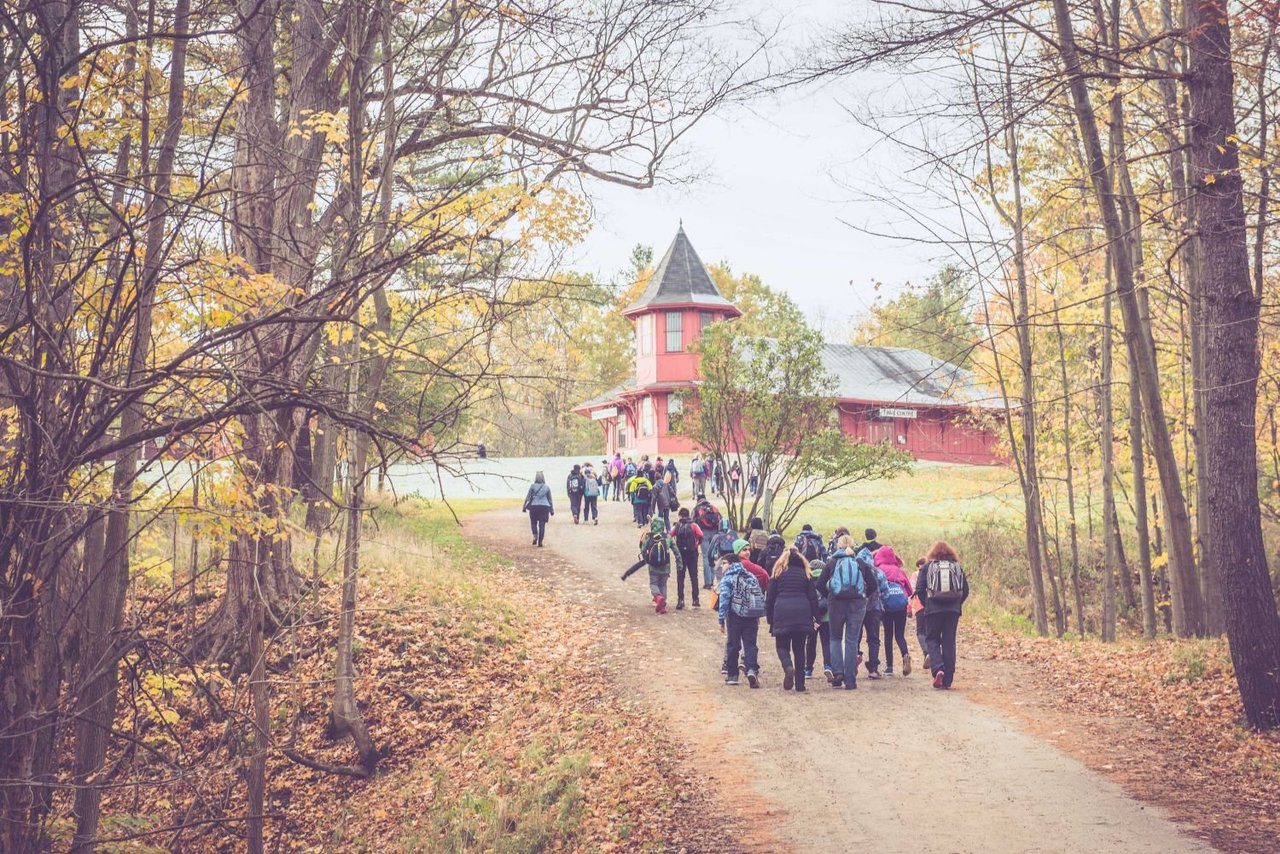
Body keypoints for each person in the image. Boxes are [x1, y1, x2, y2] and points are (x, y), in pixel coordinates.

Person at [766, 548, 821, 693]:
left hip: (782, 612)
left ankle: (788, 667)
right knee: (799, 649)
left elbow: (770, 599)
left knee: (782, 647)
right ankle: (800, 685)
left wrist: (770, 619)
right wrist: (817, 617)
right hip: (803, 612)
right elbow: (813, 598)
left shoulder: (777, 574)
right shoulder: (805, 574)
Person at [915, 541, 970, 689]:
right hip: (952, 611)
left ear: (933, 554)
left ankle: (938, 668)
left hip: (933, 609)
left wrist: (927, 604)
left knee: (932, 639)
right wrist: (957, 604)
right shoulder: (956, 567)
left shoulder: (927, 567)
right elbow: (965, 590)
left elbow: (919, 589)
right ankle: (948, 680)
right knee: (949, 642)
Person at [817, 535, 867, 689]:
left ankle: (837, 673)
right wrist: (863, 596)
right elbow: (872, 583)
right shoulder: (859, 562)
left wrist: (830, 596)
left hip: (836, 604)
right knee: (851, 641)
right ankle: (850, 680)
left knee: (835, 638)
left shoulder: (831, 562)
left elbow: (819, 584)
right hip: (857, 604)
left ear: (837, 546)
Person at [717, 538, 768, 687]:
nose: (723, 566)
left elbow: (724, 599)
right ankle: (751, 669)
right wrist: (757, 613)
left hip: (734, 615)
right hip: (751, 615)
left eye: (725, 563)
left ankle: (733, 675)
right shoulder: (750, 576)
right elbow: (758, 594)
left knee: (733, 644)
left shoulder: (728, 578)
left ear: (731, 564)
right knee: (750, 644)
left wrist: (721, 619)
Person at [621, 518, 683, 614]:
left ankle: (658, 597)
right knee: (663, 584)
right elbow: (676, 551)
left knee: (653, 584)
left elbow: (642, 549)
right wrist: (679, 564)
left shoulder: (649, 537)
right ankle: (662, 606)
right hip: (665, 566)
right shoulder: (667, 537)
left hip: (653, 566)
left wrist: (646, 557)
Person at [875, 546, 913, 676]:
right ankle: (905, 655)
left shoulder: (879, 570)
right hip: (900, 606)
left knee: (888, 635)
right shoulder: (899, 571)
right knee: (900, 635)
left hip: (886, 606)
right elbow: (909, 591)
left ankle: (889, 667)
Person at [855, 529, 885, 679]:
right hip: (874, 608)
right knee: (873, 638)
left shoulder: (856, 569)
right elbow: (884, 588)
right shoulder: (877, 571)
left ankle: (855, 657)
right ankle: (873, 668)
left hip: (858, 607)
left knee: (855, 636)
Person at [805, 559, 832, 681]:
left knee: (811, 642)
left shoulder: (807, 580)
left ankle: (808, 669)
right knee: (826, 642)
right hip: (826, 616)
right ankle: (828, 665)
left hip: (812, 617)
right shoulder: (827, 579)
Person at [671, 508, 702, 609]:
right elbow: (701, 535)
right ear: (689, 515)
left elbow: (669, 535)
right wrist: (696, 545)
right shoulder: (694, 525)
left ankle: (681, 600)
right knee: (694, 576)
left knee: (680, 577)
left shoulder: (676, 526)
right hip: (692, 554)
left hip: (680, 555)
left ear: (680, 516)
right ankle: (695, 599)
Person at [692, 497, 723, 589]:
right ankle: (713, 579)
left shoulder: (697, 509)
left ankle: (708, 582)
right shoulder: (713, 508)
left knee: (705, 556)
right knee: (712, 556)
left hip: (703, 534)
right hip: (714, 534)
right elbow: (720, 520)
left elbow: (693, 522)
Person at [521, 472, 554, 547]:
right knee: (542, 525)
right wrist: (551, 510)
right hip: (544, 507)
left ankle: (535, 535)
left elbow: (528, 497)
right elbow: (550, 500)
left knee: (533, 522)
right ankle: (540, 542)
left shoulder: (532, 486)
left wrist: (524, 507)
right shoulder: (547, 487)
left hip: (534, 506)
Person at [910, 558, 930, 668]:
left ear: (918, 566)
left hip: (919, 605)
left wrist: (908, 607)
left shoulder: (915, 574)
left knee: (920, 631)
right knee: (929, 630)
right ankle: (933, 654)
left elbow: (912, 590)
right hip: (932, 605)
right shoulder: (932, 571)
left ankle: (927, 652)